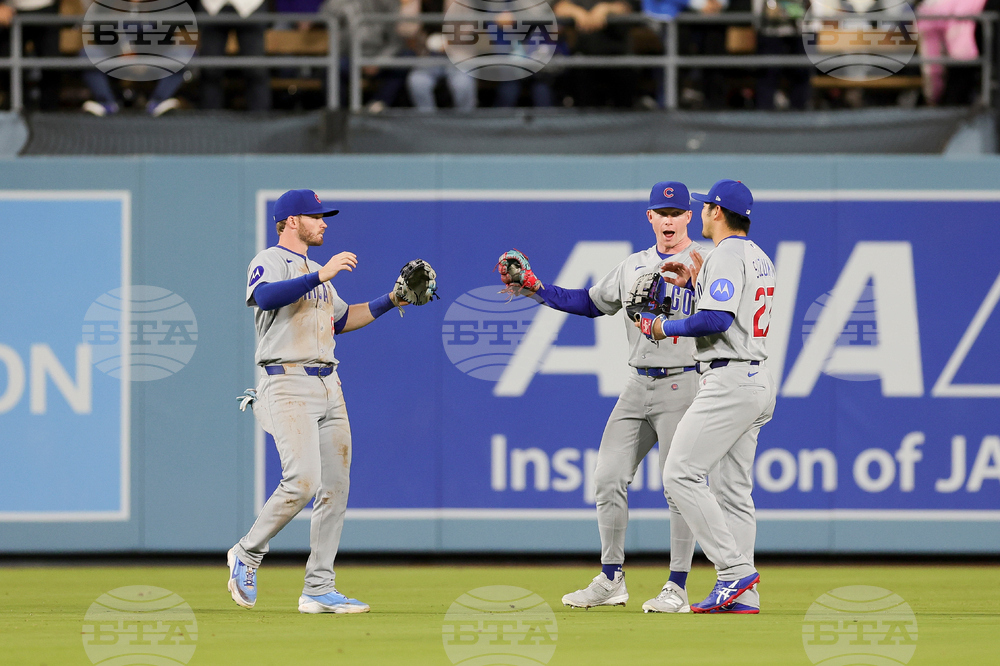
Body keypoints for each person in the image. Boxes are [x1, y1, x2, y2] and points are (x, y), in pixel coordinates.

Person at [506, 182, 707, 613]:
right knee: (606, 477)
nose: (669, 219)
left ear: (689, 216)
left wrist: (678, 298)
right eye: (661, 212)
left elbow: (720, 318)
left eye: (676, 212)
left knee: (680, 487)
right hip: (638, 385)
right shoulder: (632, 266)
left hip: (684, 383)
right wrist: (536, 286)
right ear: (649, 217)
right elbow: (590, 303)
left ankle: (677, 586)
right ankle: (612, 578)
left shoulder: (705, 263)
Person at [228, 188, 411, 614]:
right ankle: (248, 552)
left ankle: (318, 588)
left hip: (329, 384)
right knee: (303, 481)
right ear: (291, 221)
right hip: (286, 382)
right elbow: (267, 296)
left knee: (335, 488)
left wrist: (393, 299)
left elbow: (343, 319)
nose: (324, 222)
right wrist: (320, 275)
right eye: (315, 216)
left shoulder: (316, 271)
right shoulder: (269, 260)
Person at [636, 179, 775, 613]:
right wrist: (696, 281)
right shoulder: (757, 255)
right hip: (754, 378)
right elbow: (726, 308)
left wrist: (663, 327)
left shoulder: (727, 254)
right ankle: (744, 594)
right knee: (734, 490)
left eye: (706, 207)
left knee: (680, 473)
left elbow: (716, 319)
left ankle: (734, 573)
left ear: (717, 212)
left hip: (729, 379)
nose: (701, 212)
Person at [199, 0, 271, 110]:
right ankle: (208, 121)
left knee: (256, 70)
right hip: (211, 5)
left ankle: (260, 121)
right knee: (210, 70)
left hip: (251, 5)